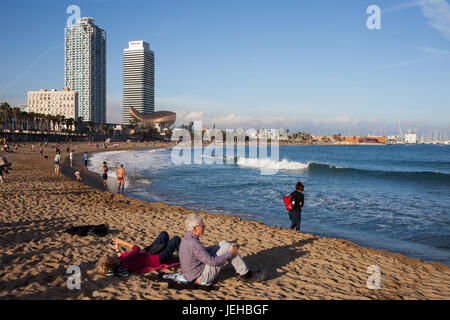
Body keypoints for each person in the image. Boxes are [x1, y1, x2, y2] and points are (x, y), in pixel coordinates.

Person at [179, 214, 265, 285]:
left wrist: (218, 248)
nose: (205, 226)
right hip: (199, 278)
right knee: (228, 248)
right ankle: (247, 275)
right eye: (202, 225)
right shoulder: (194, 243)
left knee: (223, 243)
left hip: (193, 273)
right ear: (195, 228)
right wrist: (230, 254)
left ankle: (243, 271)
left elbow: (200, 253)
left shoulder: (187, 238)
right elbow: (212, 262)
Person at [96, 231, 181, 276]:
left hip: (149, 252)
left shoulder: (120, 264)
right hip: (157, 259)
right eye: (109, 257)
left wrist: (117, 249)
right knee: (176, 239)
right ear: (112, 263)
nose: (110, 256)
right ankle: (187, 258)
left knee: (163, 234)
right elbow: (136, 248)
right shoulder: (127, 262)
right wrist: (121, 242)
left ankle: (168, 250)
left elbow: (121, 257)